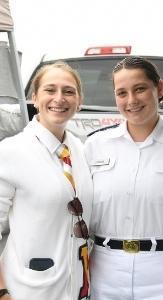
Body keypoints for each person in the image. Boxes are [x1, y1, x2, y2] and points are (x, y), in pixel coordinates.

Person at [85, 56, 163, 299]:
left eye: (140, 89)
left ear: (159, 89)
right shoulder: (95, 145)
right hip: (106, 270)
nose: (131, 100)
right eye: (122, 93)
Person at [0, 62, 92, 299]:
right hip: (27, 290)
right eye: (50, 90)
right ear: (34, 98)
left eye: (68, 91)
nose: (59, 98)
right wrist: (2, 292)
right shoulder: (11, 152)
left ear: (79, 101)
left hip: (77, 287)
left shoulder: (82, 152)